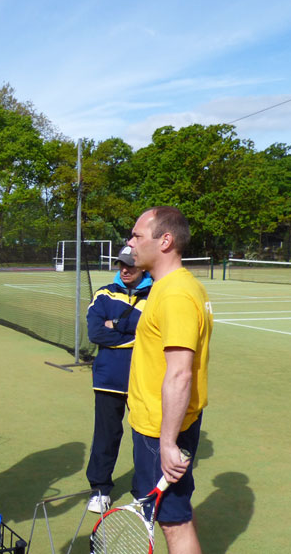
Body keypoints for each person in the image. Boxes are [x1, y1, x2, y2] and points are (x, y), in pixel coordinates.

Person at [125, 206, 213, 554]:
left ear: (165, 241)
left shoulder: (176, 294)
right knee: (176, 514)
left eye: (137, 235)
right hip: (160, 423)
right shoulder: (168, 287)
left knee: (173, 522)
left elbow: (180, 373)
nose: (130, 243)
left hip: (161, 427)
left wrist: (166, 442)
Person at [83, 244, 153, 513]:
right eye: (121, 264)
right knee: (106, 436)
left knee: (144, 438)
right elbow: (96, 333)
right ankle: (100, 490)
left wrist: (116, 324)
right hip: (108, 379)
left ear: (142, 267)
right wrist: (137, 336)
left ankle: (144, 494)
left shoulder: (156, 295)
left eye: (130, 265)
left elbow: (155, 332)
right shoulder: (103, 294)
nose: (125, 270)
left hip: (143, 379)